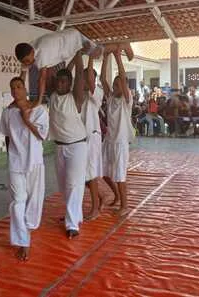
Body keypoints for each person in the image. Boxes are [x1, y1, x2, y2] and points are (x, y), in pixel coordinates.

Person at [0, 77, 49, 261]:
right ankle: (23, 241)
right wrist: (10, 156)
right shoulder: (7, 112)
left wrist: (27, 120)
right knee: (18, 202)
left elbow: (42, 135)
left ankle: (26, 229)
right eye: (12, 88)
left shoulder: (38, 110)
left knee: (34, 201)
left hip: (34, 161)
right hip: (15, 163)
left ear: (25, 88)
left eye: (19, 87)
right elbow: (7, 136)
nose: (15, 90)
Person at [15, 29, 134, 105]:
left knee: (96, 53)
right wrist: (18, 95)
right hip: (68, 36)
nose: (27, 63)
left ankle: (123, 45)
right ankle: (121, 46)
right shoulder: (27, 53)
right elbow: (22, 76)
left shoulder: (41, 54)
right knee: (97, 52)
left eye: (27, 61)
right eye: (24, 62)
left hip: (71, 41)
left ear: (32, 52)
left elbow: (42, 79)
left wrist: (38, 101)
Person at [49, 51, 88, 239]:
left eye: (64, 82)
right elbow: (61, 73)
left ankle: (72, 224)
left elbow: (78, 75)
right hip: (59, 146)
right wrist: (69, 62)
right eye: (58, 81)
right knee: (64, 186)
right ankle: (74, 214)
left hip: (77, 147)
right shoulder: (53, 96)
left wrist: (79, 55)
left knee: (74, 184)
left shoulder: (75, 98)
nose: (59, 84)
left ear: (70, 84)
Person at [100, 47, 135, 217]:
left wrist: (117, 57)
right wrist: (106, 57)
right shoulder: (111, 98)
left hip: (120, 142)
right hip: (109, 140)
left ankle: (125, 205)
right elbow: (101, 78)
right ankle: (116, 195)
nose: (115, 87)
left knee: (120, 175)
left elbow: (122, 76)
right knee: (104, 172)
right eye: (114, 84)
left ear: (124, 87)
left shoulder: (126, 101)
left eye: (119, 84)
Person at [81, 58, 105, 220]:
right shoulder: (78, 94)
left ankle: (95, 208)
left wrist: (90, 57)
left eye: (87, 77)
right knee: (82, 176)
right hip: (80, 139)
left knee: (90, 174)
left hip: (92, 137)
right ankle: (100, 197)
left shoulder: (97, 92)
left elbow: (89, 79)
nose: (83, 80)